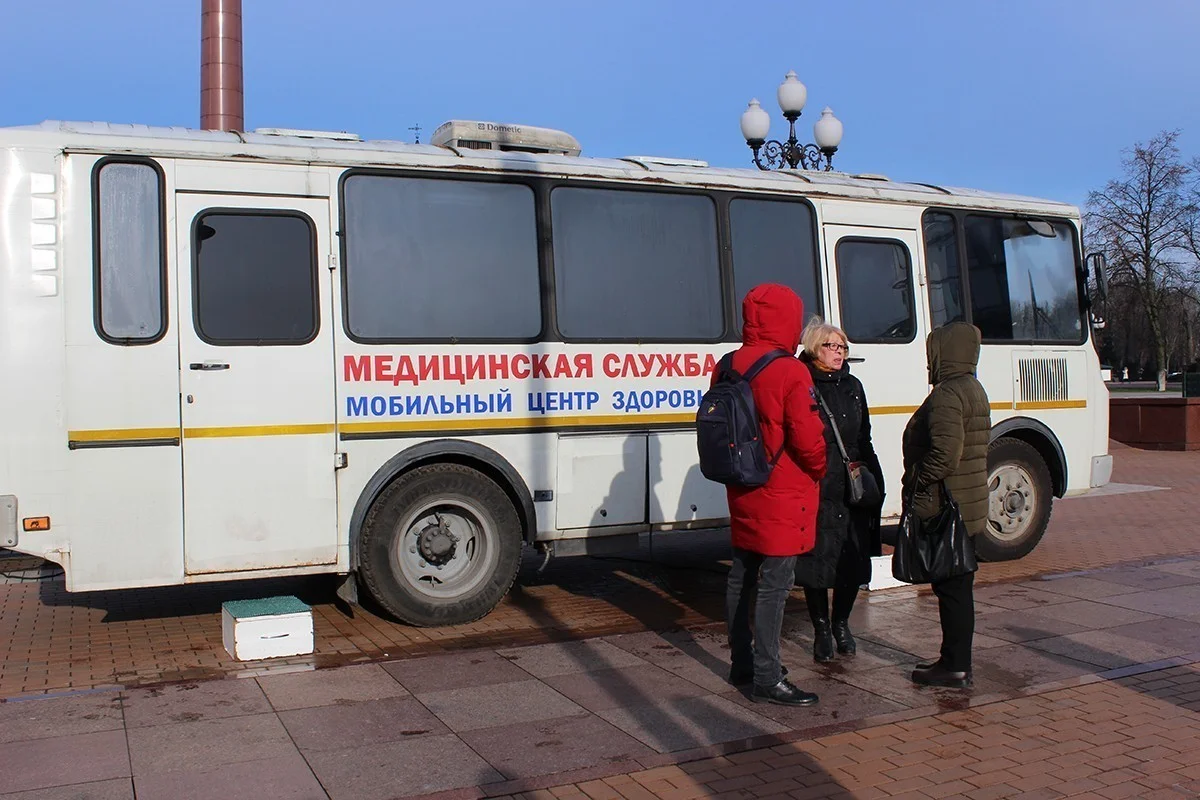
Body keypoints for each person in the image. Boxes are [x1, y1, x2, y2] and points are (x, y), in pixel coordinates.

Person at [720, 284, 827, 707]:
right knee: (776, 583)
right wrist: (820, 468)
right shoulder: (790, 370)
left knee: (741, 574)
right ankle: (767, 677)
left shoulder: (726, 364)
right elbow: (807, 437)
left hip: (742, 483)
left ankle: (742, 664)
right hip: (783, 489)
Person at [901, 322, 991, 688]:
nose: (929, 359)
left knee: (952, 589)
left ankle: (955, 665)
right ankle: (954, 659)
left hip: (946, 504)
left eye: (933, 351)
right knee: (959, 588)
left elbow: (945, 455)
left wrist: (915, 478)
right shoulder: (973, 388)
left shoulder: (947, 395)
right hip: (969, 503)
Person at [794, 317, 884, 663]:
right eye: (832, 346)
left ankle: (841, 623)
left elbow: (864, 436)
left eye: (843, 346)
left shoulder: (853, 385)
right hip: (817, 484)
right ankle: (820, 628)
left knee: (851, 559)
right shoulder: (803, 382)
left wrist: (875, 478)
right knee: (817, 562)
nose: (839, 352)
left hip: (850, 485)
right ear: (815, 348)